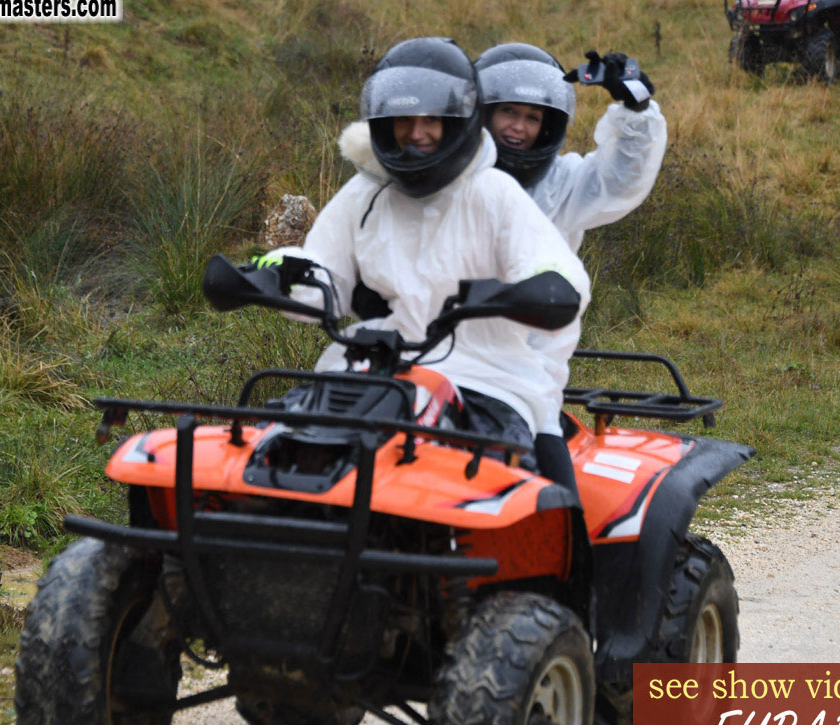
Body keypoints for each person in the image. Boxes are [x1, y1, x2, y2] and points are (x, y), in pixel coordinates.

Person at [259, 37, 591, 459]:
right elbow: (325, 271)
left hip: (485, 377)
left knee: (503, 487)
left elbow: (558, 274)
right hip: (373, 365)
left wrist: (523, 293)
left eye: (431, 119)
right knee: (276, 453)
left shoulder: (493, 192)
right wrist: (272, 272)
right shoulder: (365, 192)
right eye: (403, 120)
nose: (417, 134)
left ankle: (570, 522)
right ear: (383, 123)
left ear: (456, 122)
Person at [473, 42, 667, 489]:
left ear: (549, 126)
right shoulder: (451, 175)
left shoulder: (562, 185)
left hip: (529, 362)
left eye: (533, 117)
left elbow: (621, 178)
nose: (517, 128)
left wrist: (635, 105)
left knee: (545, 467)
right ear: (482, 113)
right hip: (445, 353)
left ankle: (572, 545)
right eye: (508, 113)